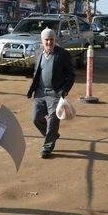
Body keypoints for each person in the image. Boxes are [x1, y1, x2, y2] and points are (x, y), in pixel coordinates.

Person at [26, 28, 75, 158]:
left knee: (53, 119)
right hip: (40, 93)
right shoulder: (39, 53)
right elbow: (37, 72)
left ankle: (47, 147)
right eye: (46, 40)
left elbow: (71, 75)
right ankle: (52, 135)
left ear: (55, 40)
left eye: (51, 39)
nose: (49, 42)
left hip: (55, 93)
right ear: (42, 41)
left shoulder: (62, 54)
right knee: (35, 118)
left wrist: (64, 90)